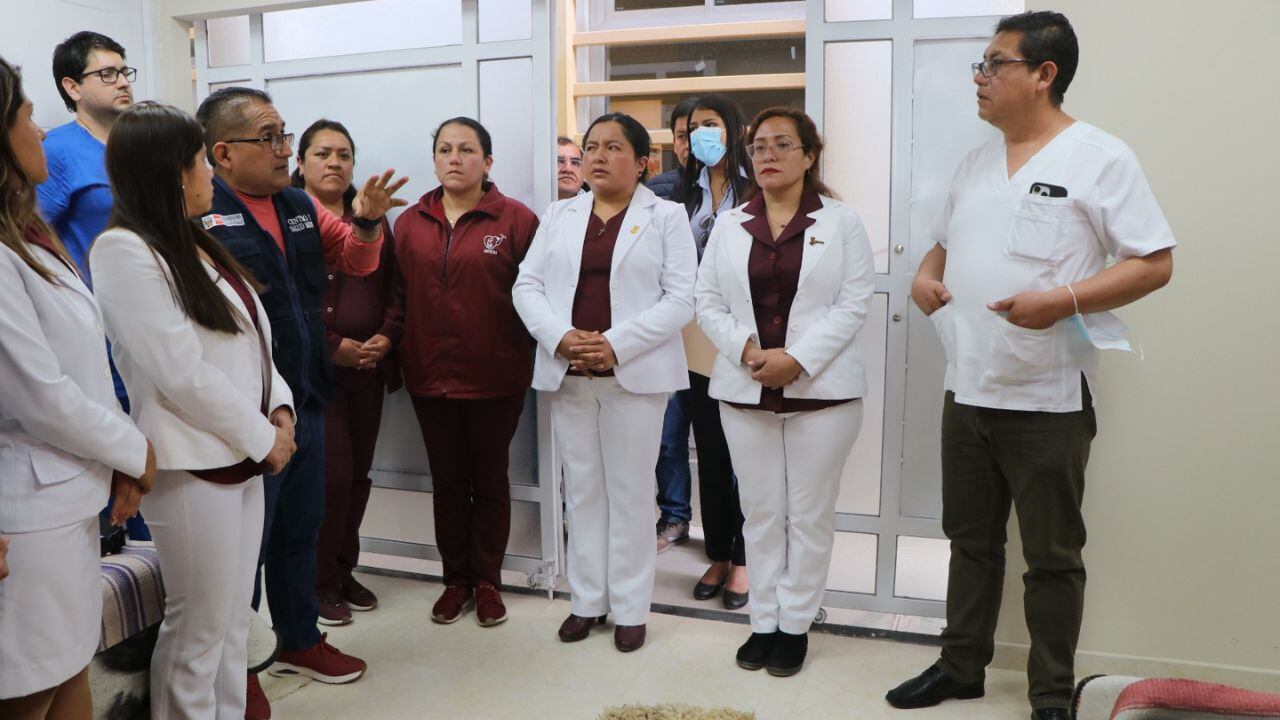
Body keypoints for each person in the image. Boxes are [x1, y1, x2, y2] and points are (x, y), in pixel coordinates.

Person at [884, 13, 1174, 720]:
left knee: (1051, 557)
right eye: (979, 65)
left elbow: (1155, 262)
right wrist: (925, 279)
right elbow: (940, 249)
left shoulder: (1099, 157)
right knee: (971, 542)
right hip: (969, 386)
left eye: (994, 63)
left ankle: (1049, 694)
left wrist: (1064, 299)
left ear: (1044, 74)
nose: (980, 77)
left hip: (1047, 397)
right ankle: (960, 667)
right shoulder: (975, 163)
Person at [194, 86, 406, 719]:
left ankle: (298, 639)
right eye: (272, 138)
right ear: (223, 152)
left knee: (299, 530)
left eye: (286, 135)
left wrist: (366, 218)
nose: (286, 149)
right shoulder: (200, 211)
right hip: (246, 411)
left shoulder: (298, 206)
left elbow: (359, 262)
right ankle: (244, 664)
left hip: (307, 392)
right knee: (246, 550)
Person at [90, 101, 297, 720]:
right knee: (197, 630)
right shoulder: (122, 250)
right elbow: (179, 373)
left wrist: (280, 409)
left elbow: (253, 339)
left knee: (234, 622)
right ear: (172, 172)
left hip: (243, 453)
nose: (211, 171)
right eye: (202, 159)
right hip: (192, 461)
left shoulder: (192, 241)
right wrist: (264, 437)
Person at [0, 56, 156, 720]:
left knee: (69, 671)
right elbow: (41, 395)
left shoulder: (28, 240)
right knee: (31, 689)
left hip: (65, 497)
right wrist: (133, 451)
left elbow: (83, 372)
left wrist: (114, 460)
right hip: (27, 516)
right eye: (28, 116)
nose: (40, 132)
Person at [695, 107, 875, 677]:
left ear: (809, 155)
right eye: (759, 145)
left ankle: (796, 625)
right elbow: (707, 302)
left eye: (781, 144)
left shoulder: (841, 222)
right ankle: (764, 622)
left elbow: (854, 302)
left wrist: (797, 358)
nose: (767, 155)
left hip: (822, 394)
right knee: (762, 514)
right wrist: (748, 351)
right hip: (745, 390)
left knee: (810, 514)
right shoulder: (730, 224)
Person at [514, 112, 696, 653]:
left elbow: (681, 298)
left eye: (611, 147)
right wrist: (561, 337)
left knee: (632, 492)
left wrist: (617, 343)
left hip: (633, 376)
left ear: (642, 162)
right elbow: (528, 286)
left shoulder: (666, 216)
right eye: (590, 146)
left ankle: (632, 607)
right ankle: (586, 601)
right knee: (584, 492)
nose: (595, 156)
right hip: (570, 372)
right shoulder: (560, 214)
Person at [394, 117, 538, 627]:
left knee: (491, 481)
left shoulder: (516, 220)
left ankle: (488, 581)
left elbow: (536, 298)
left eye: (467, 150)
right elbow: (399, 298)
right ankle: (455, 580)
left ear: (488, 161)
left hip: (496, 377)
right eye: (445, 150)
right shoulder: (409, 222)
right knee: (448, 484)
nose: (455, 158)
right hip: (430, 378)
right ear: (434, 159)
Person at [291, 119, 400, 627]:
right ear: (301, 162)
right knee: (329, 481)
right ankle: (317, 582)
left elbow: (395, 289)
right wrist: (332, 346)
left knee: (358, 478)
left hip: (368, 372)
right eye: (322, 154)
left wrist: (386, 337)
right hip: (317, 373)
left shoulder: (372, 217)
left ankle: (343, 570)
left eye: (344, 155)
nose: (334, 163)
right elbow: (284, 302)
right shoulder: (287, 216)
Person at [672, 93, 753, 609]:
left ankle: (746, 557)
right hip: (695, 342)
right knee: (712, 454)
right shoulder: (679, 196)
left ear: (733, 129)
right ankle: (718, 552)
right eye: (691, 127)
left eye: (710, 124)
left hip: (745, 340)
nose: (700, 134)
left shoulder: (756, 190)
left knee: (747, 454)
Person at [37, 31, 135, 279]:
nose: (123, 82)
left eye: (124, 72)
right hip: (95, 304)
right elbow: (29, 238)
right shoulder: (55, 151)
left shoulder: (141, 143)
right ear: (73, 87)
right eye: (108, 74)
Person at [648, 95, 699, 555]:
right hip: (665, 331)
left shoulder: (742, 192)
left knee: (722, 445)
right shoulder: (659, 190)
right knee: (668, 436)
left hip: (720, 338)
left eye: (700, 133)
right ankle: (675, 516)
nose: (690, 144)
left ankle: (730, 544)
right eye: (682, 136)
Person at [646, 96, 697, 201]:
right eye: (681, 136)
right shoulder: (653, 191)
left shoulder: (736, 188)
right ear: (674, 143)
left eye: (696, 134)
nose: (688, 145)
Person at [556, 136, 586, 200]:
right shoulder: (531, 207)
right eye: (559, 161)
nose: (568, 169)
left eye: (575, 163)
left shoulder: (599, 207)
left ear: (583, 175)